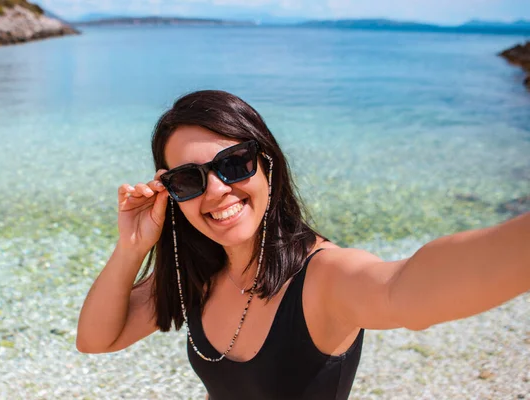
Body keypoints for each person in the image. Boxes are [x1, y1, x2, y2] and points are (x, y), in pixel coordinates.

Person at [76, 90, 530, 400]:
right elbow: (97, 339)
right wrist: (132, 246)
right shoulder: (197, 272)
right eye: (189, 179)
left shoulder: (322, 278)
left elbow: (404, 288)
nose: (215, 191)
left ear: (267, 165)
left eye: (234, 163)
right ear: (172, 193)